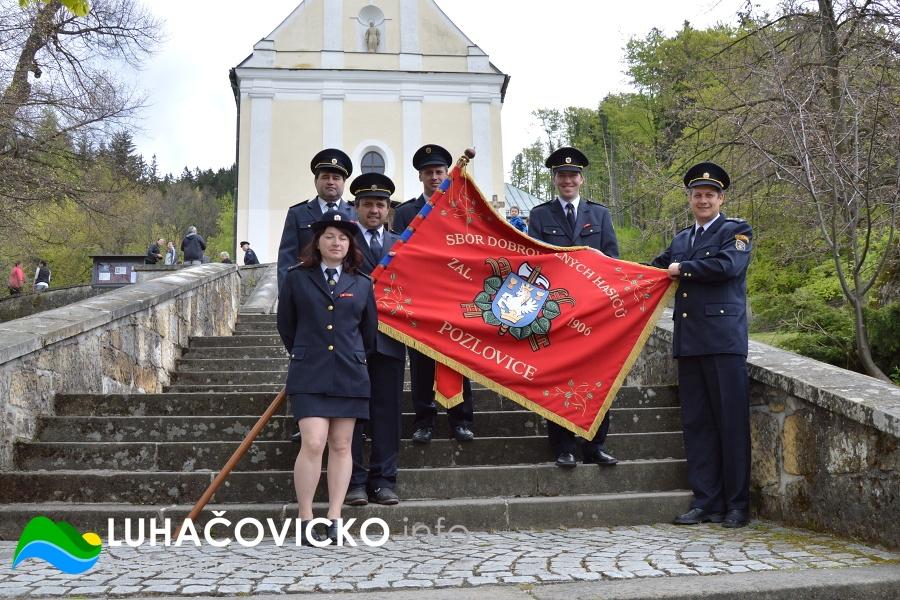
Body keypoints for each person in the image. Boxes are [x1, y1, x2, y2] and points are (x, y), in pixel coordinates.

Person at [651, 162, 753, 529]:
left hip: (724, 342)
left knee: (731, 425)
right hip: (690, 342)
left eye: (710, 195)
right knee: (697, 426)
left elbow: (728, 267)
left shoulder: (736, 230)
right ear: (690, 199)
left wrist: (684, 269)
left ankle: (737, 505)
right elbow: (653, 270)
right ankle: (706, 501)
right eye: (697, 195)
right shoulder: (681, 239)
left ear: (721, 198)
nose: (703, 200)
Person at [277, 210, 377, 544]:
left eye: (344, 237)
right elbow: (286, 326)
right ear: (317, 242)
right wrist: (308, 351)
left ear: (351, 244)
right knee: (314, 441)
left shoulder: (362, 283)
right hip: (309, 371)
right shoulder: (297, 277)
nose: (337, 243)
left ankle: (334, 517)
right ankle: (306, 519)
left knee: (342, 444)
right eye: (330, 236)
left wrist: (351, 356)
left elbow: (369, 333)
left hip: (350, 372)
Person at [527, 146, 619, 469]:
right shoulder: (539, 216)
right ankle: (564, 446)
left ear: (581, 178)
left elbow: (613, 264)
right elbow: (534, 264)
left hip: (594, 312)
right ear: (555, 180)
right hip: (556, 313)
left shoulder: (600, 215)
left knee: (598, 376)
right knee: (559, 379)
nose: (568, 180)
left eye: (572, 175)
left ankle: (595, 445)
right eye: (562, 176)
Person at [392, 144, 475, 444]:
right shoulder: (404, 214)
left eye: (439, 172)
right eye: (429, 173)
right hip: (420, 301)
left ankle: (461, 420)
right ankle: (424, 421)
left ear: (447, 175)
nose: (435, 177)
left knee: (458, 359)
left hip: (455, 299)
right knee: (422, 364)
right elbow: (398, 257)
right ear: (420, 177)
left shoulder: (461, 208)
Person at [343, 172, 406, 507]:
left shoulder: (402, 245)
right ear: (356, 208)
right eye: (367, 203)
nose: (374, 209)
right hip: (350, 340)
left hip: (392, 339)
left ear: (388, 209)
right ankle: (353, 481)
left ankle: (384, 480)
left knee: (387, 412)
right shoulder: (344, 242)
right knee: (350, 412)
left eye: (380, 204)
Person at [277, 149, 356, 291]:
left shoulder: (355, 214)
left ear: (344, 182)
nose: (331, 182)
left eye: (336, 178)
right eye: (325, 177)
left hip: (347, 293)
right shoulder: (297, 213)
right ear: (316, 181)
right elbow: (286, 261)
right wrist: (286, 298)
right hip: (306, 291)